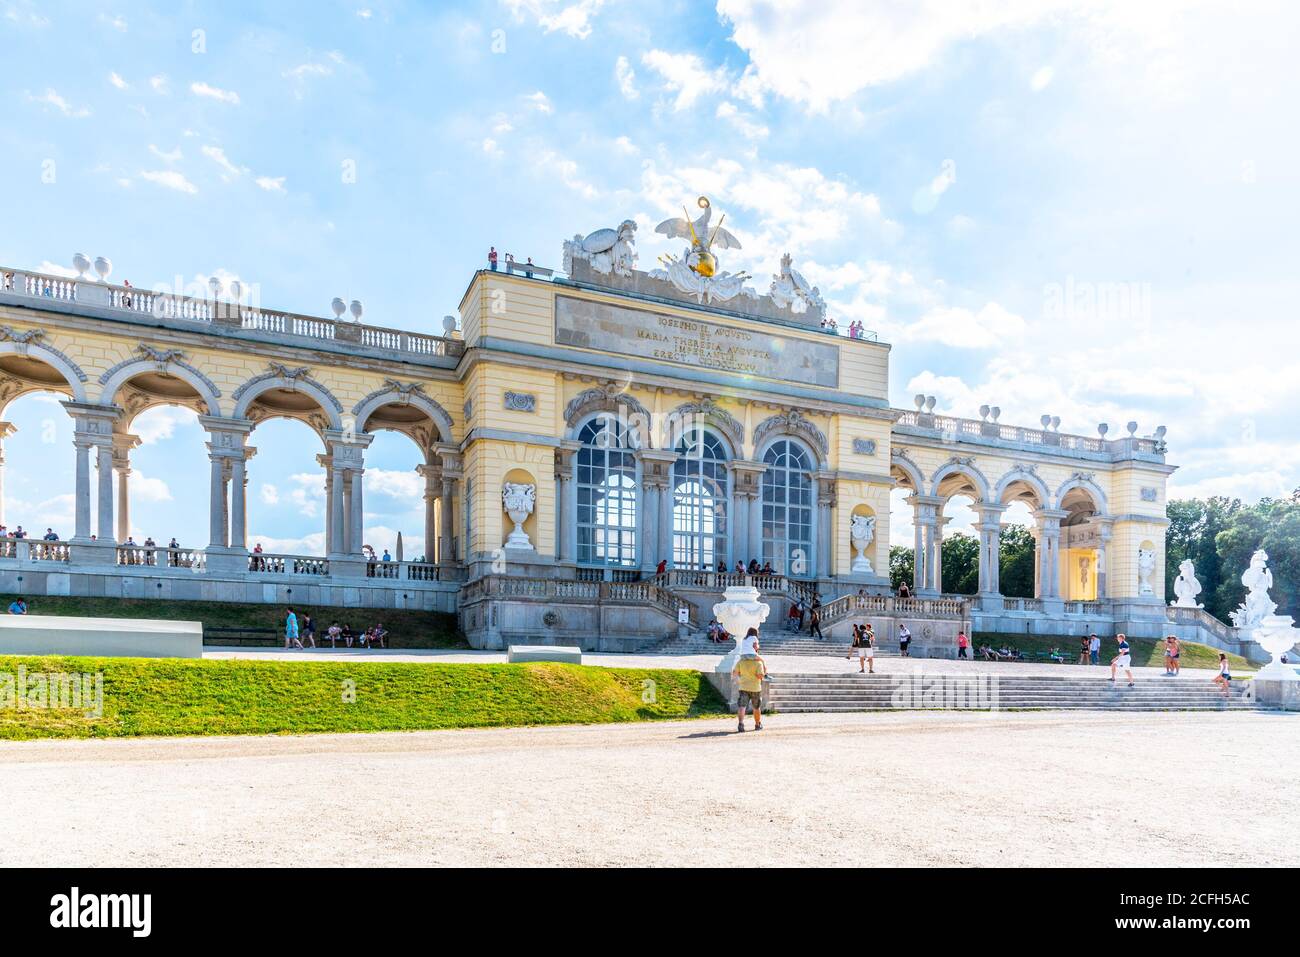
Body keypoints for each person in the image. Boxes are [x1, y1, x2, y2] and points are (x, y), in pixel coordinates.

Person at [732, 637, 766, 732]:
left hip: (743, 687)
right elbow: (760, 676)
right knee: (756, 707)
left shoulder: (741, 662)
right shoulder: (758, 663)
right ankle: (757, 724)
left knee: (742, 706)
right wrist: (760, 674)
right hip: (755, 688)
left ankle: (741, 724)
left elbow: (734, 673)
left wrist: (739, 681)